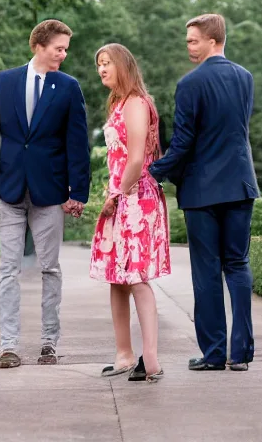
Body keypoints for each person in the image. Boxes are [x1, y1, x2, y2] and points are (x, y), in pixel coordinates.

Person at [149, 14, 258, 372]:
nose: (189, 47)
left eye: (193, 41)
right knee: (238, 266)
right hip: (240, 184)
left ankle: (214, 354)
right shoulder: (245, 78)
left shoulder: (190, 84)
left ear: (213, 40)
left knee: (208, 272)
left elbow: (182, 143)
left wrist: (153, 172)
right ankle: (240, 354)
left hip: (202, 191)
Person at [0, 19, 90, 369]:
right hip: (8, 190)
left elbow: (77, 143)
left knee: (50, 268)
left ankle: (48, 343)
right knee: (8, 270)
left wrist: (79, 192)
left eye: (66, 49)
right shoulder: (4, 82)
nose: (64, 54)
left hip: (51, 192)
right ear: (39, 46)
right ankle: (8, 346)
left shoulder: (68, 86)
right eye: (59, 47)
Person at [89, 43, 171, 383]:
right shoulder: (117, 103)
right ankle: (124, 354)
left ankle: (149, 359)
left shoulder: (137, 102)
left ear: (123, 65)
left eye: (107, 63)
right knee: (116, 277)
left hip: (136, 197)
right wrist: (113, 195)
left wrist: (118, 193)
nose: (102, 69)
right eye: (99, 65)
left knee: (137, 276)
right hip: (119, 195)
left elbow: (136, 158)